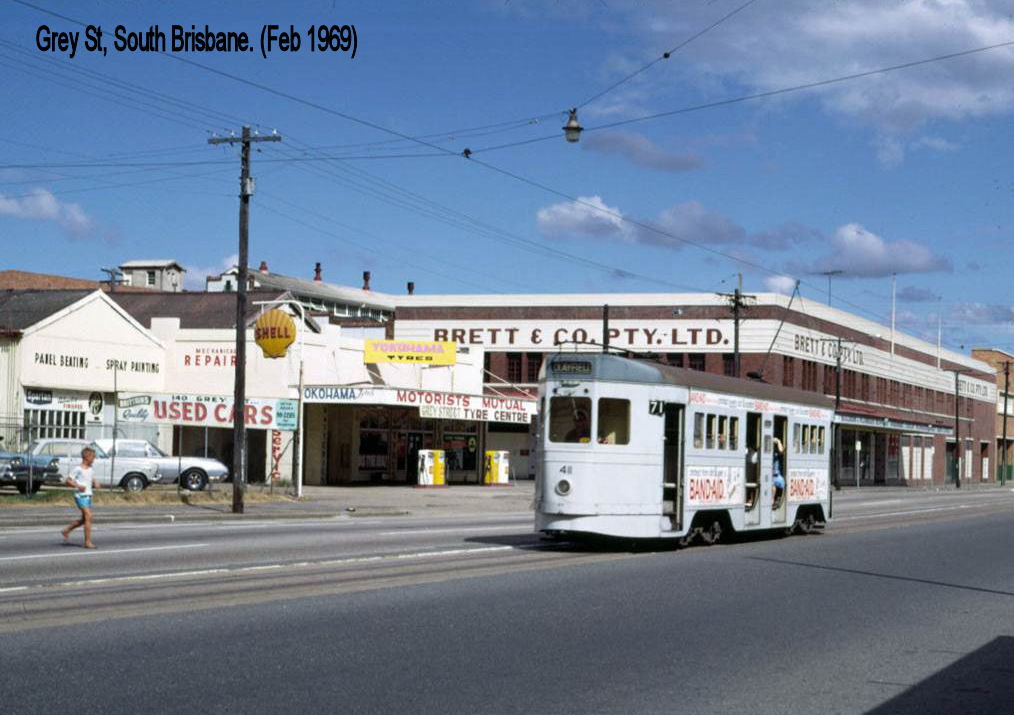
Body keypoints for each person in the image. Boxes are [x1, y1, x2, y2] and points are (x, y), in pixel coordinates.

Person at [61, 446, 99, 549]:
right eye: (93, 457)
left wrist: (95, 483)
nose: (94, 459)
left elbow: (91, 478)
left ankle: (67, 530)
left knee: (84, 519)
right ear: (87, 457)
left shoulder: (90, 469)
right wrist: (78, 486)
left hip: (88, 496)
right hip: (80, 496)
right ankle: (87, 542)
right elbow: (68, 480)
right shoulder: (78, 469)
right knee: (89, 516)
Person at [772, 437, 785, 507]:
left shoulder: (777, 454)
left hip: (777, 475)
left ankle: (777, 500)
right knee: (772, 485)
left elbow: (781, 451)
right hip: (771, 476)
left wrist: (779, 441)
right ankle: (772, 501)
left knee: (782, 484)